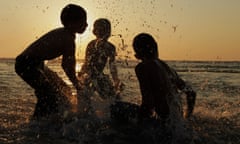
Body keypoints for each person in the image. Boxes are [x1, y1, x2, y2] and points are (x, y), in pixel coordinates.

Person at [15, 4, 88, 120]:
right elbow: (67, 66)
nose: (86, 25)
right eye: (83, 22)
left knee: (63, 89)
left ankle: (58, 116)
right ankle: (38, 123)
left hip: (36, 64)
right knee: (47, 93)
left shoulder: (66, 34)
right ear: (70, 23)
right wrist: (77, 84)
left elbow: (68, 64)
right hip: (26, 64)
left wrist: (75, 83)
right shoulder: (67, 38)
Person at [77, 18, 123, 111]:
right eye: (101, 30)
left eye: (105, 30)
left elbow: (112, 66)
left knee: (113, 97)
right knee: (112, 99)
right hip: (90, 75)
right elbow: (87, 63)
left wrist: (116, 81)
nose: (104, 33)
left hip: (95, 75)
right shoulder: (96, 45)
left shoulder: (109, 47)